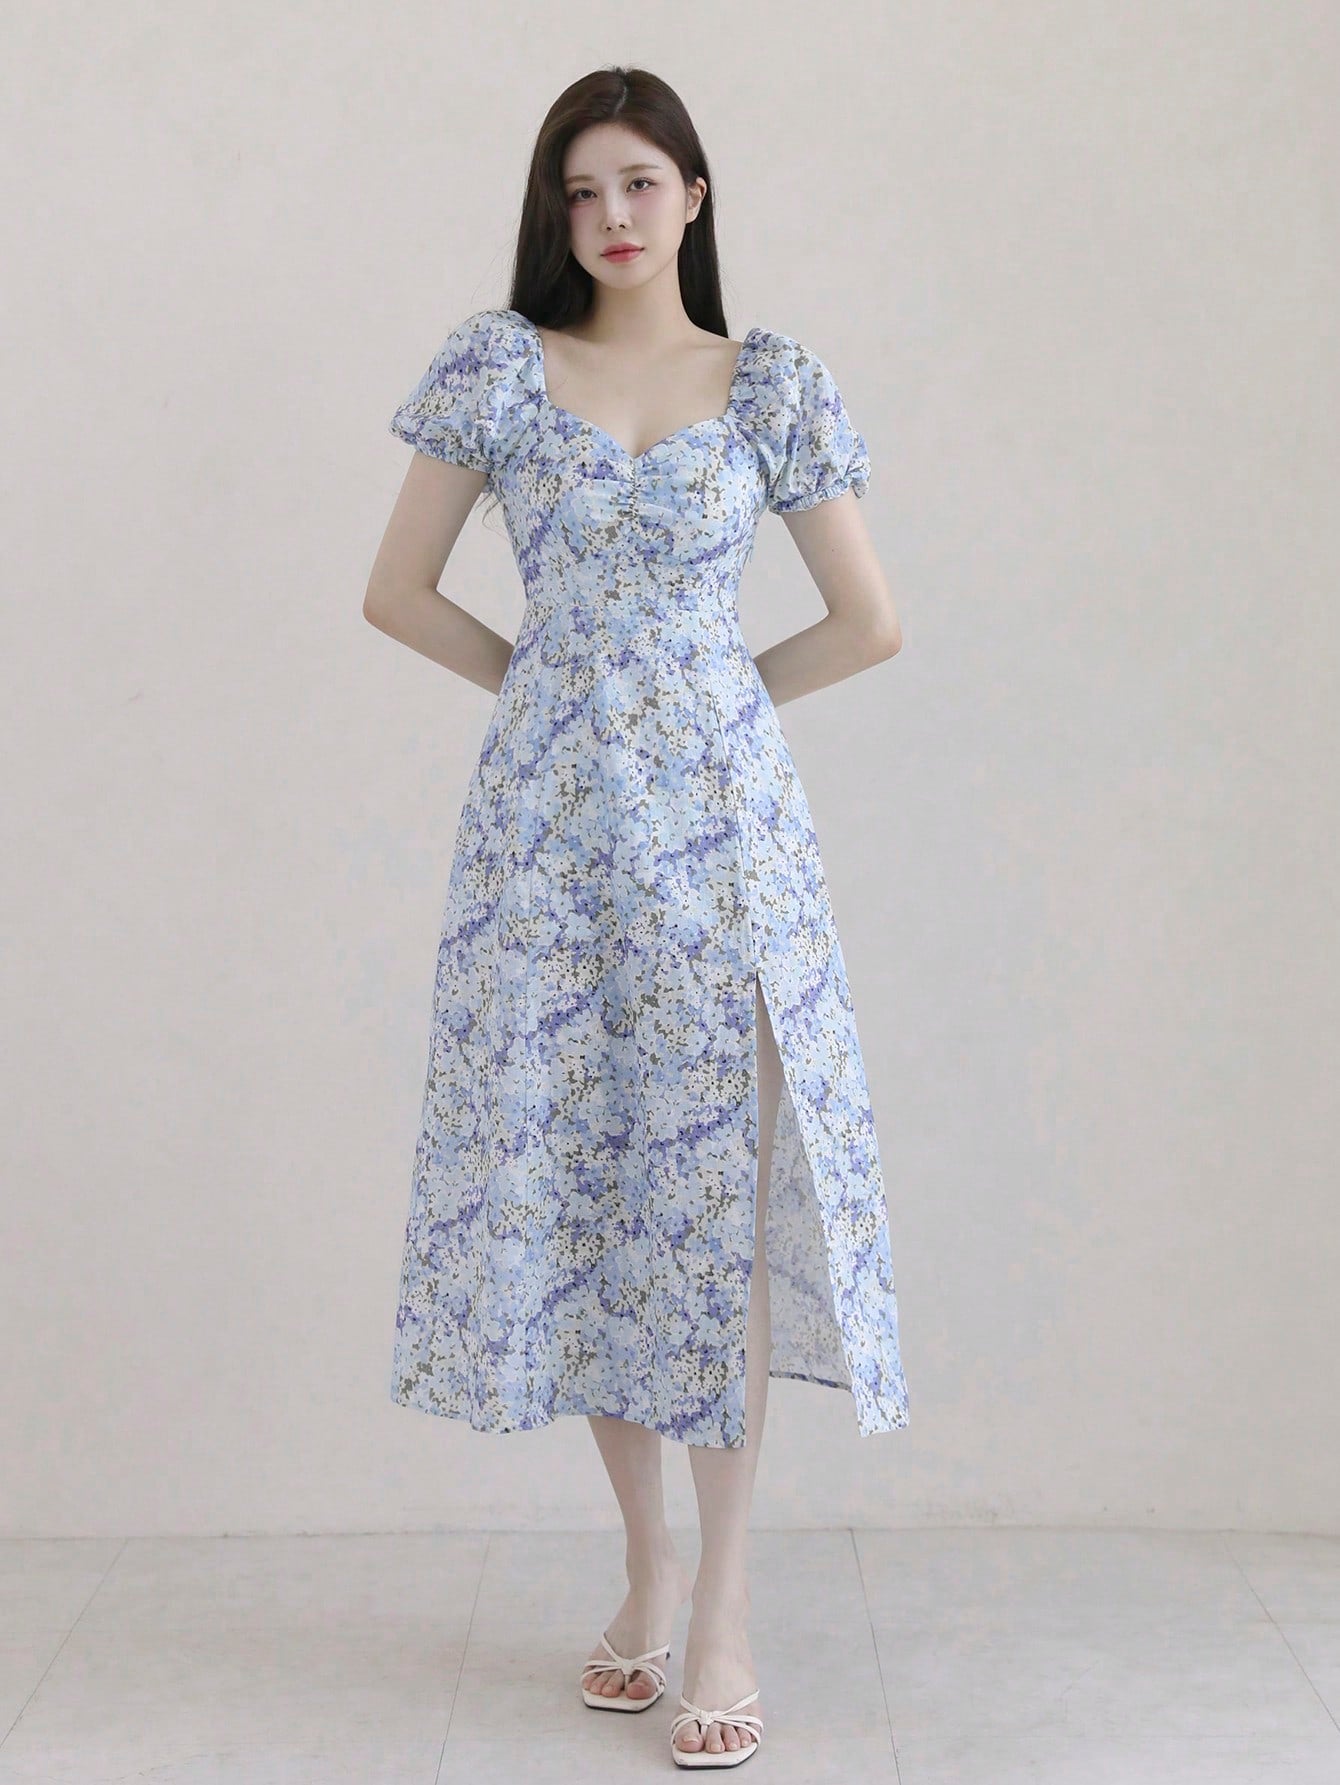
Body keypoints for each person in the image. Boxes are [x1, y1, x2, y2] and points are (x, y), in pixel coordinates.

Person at [365, 64, 910, 1770]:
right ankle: (646, 1568)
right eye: (584, 188)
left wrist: (706, 704)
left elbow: (869, 619)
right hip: (549, 842)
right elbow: (395, 590)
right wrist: (552, 694)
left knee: (712, 1204)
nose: (612, 215)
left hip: (725, 843)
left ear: (693, 198)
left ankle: (725, 1603)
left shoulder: (769, 382)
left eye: (641, 183)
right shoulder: (500, 366)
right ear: (559, 209)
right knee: (596, 1199)